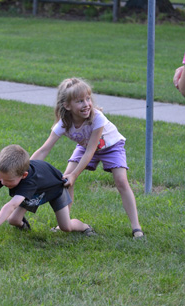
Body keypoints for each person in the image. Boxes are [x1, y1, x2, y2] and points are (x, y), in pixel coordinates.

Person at [30, 77, 144, 238]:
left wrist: (74, 174)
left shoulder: (97, 118)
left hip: (110, 146)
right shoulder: (64, 123)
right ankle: (65, 222)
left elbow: (91, 150)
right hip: (84, 147)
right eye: (79, 101)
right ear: (67, 105)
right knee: (65, 181)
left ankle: (136, 227)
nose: (86, 104)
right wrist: (27, 169)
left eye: (88, 99)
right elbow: (44, 149)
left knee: (121, 181)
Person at [0, 144, 95, 236]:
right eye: (0, 177)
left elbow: (11, 205)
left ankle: (85, 227)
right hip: (35, 191)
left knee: (66, 227)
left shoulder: (29, 182)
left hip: (55, 189)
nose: (2, 182)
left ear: (24, 175)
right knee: (13, 220)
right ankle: (25, 227)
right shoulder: (5, 174)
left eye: (8, 181)